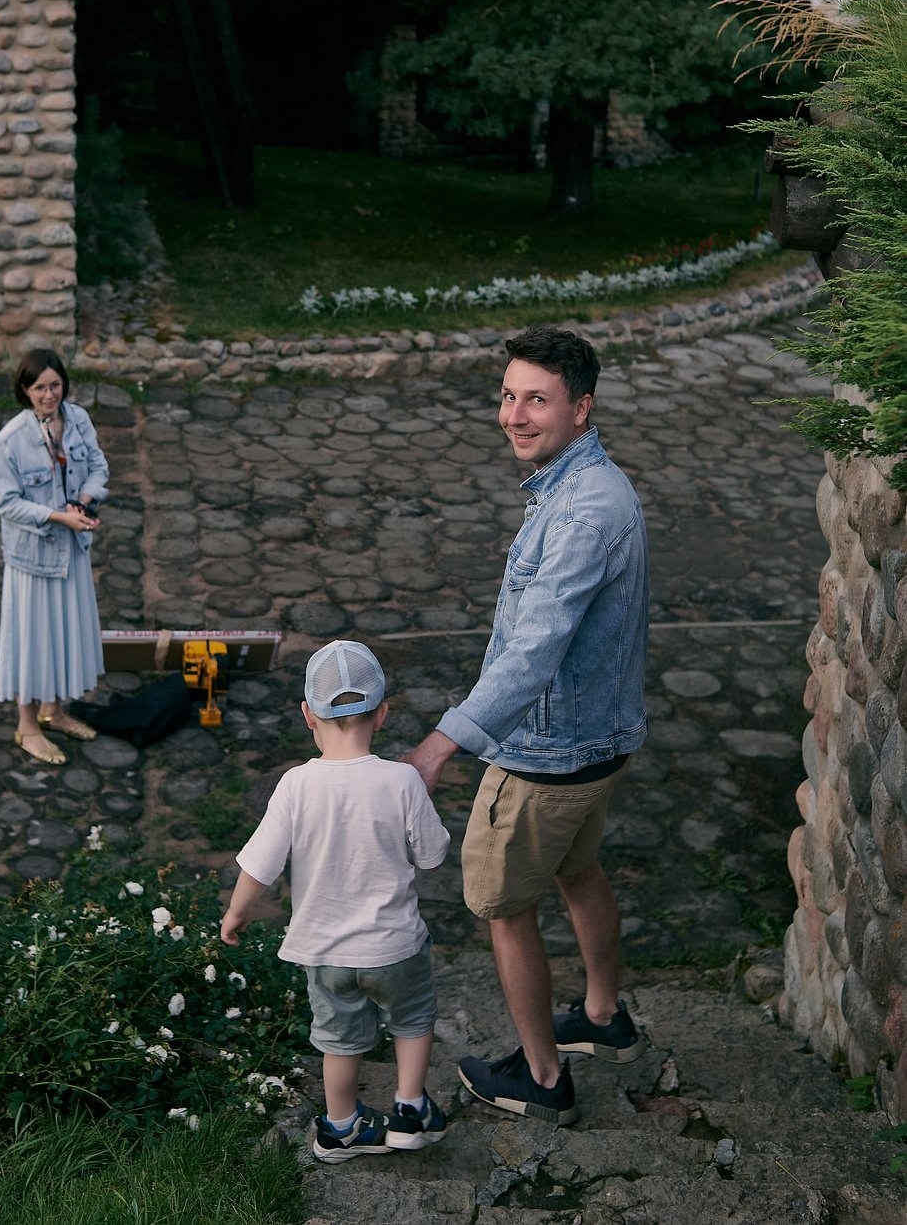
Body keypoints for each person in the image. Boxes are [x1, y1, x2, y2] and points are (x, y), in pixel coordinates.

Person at [405, 326, 649, 1126]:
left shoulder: (581, 515)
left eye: (535, 400)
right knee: (579, 873)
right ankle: (605, 1018)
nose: (514, 414)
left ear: (581, 408)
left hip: (547, 757)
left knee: (503, 905)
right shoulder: (588, 486)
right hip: (599, 743)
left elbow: (536, 648)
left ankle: (543, 1079)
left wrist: (442, 742)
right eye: (507, 396)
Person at [220, 639, 451, 1163]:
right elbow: (433, 855)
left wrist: (236, 914)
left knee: (338, 1039)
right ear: (384, 714)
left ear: (307, 715)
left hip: (324, 951)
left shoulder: (296, 785)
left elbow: (260, 863)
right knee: (412, 1019)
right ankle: (410, 1109)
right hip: (395, 948)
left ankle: (342, 1127)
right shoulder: (402, 780)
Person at [0, 348, 109, 766]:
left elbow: (99, 468)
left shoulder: (77, 420)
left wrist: (83, 501)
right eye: (39, 387)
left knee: (64, 633)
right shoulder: (10, 439)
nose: (49, 394)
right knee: (32, 639)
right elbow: (7, 504)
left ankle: (54, 710)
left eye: (55, 385)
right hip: (32, 560)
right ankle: (27, 726)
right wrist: (57, 516)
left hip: (72, 549)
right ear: (25, 390)